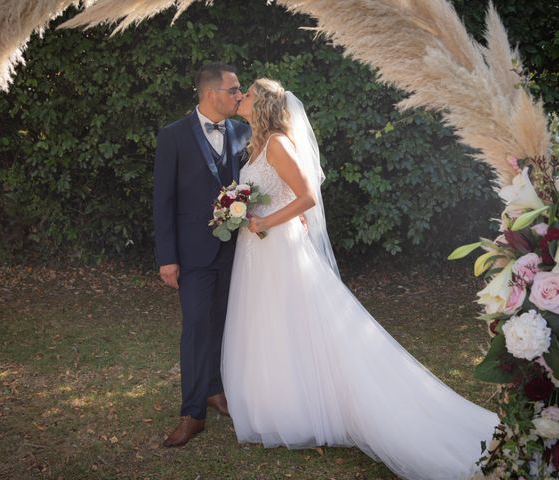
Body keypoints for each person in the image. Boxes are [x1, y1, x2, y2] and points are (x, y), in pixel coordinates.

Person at [220, 78, 499, 480]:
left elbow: (307, 197)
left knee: (296, 322)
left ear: (260, 103)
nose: (240, 97)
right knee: (273, 326)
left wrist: (264, 219)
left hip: (278, 247)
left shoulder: (278, 143)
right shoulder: (258, 144)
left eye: (246, 94)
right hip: (259, 250)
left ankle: (318, 404)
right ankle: (283, 403)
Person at [153, 63, 251, 447]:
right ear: (211, 94)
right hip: (192, 254)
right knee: (195, 328)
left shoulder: (243, 131)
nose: (239, 96)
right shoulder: (173, 136)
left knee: (224, 324)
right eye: (234, 90)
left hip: (236, 250)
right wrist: (167, 257)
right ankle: (192, 413)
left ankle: (214, 389)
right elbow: (164, 201)